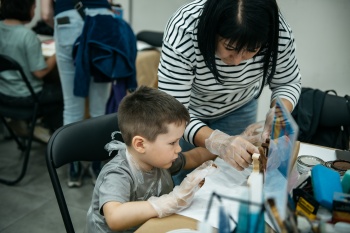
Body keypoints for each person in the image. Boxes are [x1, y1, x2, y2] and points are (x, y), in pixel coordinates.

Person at [158, 0, 302, 184]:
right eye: (230, 48)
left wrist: (278, 113)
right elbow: (172, 113)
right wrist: (217, 141)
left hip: (239, 106)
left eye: (252, 50)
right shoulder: (185, 28)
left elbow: (288, 81)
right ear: (212, 29)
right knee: (181, 178)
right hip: (186, 112)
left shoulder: (277, 32)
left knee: (230, 176)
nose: (237, 62)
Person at [85, 86, 217, 233]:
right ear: (140, 144)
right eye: (172, 143)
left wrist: (221, 148)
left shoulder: (159, 159)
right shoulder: (118, 174)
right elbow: (115, 217)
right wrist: (171, 201)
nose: (179, 149)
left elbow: (193, 157)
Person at [41, 0, 137, 187]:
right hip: (102, 22)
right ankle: (96, 167)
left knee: (71, 105)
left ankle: (74, 170)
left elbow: (45, 14)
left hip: (66, 20)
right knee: (99, 107)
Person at [0, 0, 63, 143]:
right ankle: (52, 134)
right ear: (25, 8)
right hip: (26, 97)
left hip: (3, 94)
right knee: (64, 92)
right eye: (34, 8)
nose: (34, 12)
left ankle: (26, 124)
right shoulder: (27, 35)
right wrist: (58, 51)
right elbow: (39, 73)